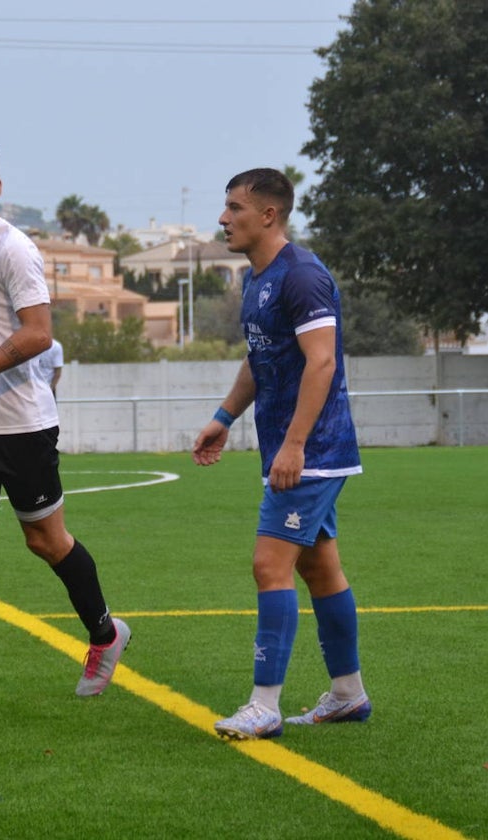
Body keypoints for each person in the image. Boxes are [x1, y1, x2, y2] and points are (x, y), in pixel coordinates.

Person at [0, 142, 130, 712]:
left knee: (47, 541)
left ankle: (106, 633)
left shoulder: (15, 249)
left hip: (24, 427)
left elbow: (38, 333)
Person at [191, 168, 369, 740]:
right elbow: (259, 359)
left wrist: (293, 446)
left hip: (312, 451)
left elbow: (323, 362)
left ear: (268, 215)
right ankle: (348, 694)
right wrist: (223, 418)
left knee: (270, 566)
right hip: (293, 449)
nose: (223, 219)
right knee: (320, 568)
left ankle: (264, 704)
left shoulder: (303, 277)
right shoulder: (257, 279)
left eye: (234, 208)